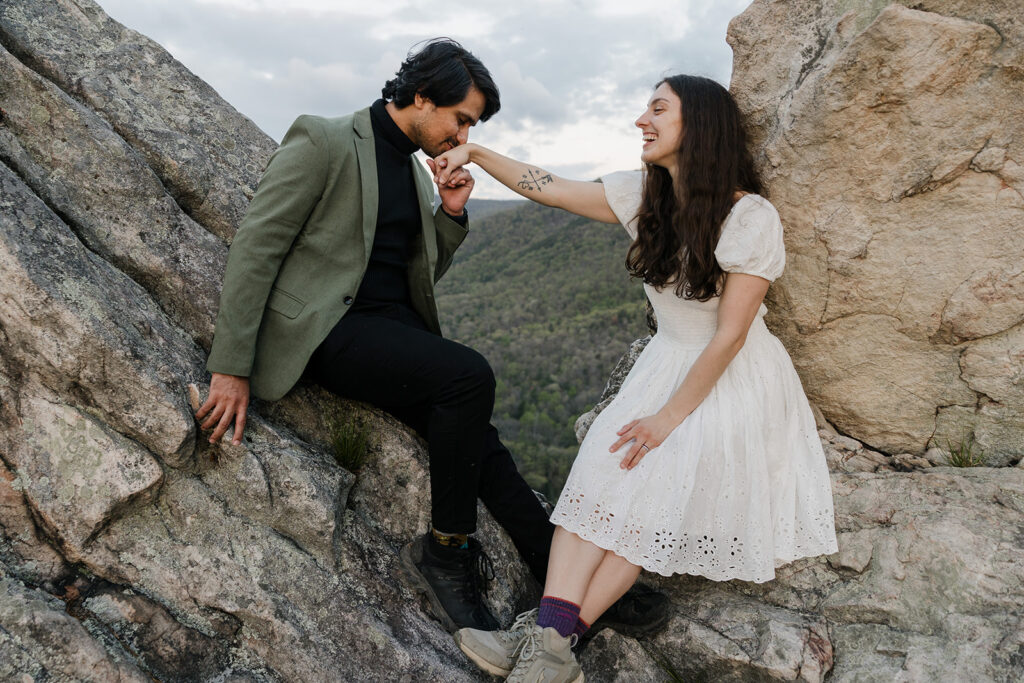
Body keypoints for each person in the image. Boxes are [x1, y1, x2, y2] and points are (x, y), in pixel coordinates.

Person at [195, 38, 668, 639]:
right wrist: (230, 366)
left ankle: (561, 577)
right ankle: (447, 551)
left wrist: (449, 214)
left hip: (390, 331)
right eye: (461, 118)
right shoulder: (326, 139)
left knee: (481, 444)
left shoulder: (418, 172)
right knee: (469, 375)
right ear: (421, 97)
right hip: (325, 331)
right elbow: (255, 248)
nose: (462, 133)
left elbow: (419, 274)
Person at [431, 74, 839, 682]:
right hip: (666, 361)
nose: (641, 121)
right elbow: (552, 189)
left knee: (646, 488)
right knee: (596, 475)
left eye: (657, 109)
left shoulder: (748, 216)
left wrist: (667, 419)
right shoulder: (649, 197)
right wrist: (478, 153)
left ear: (697, 125)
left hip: (734, 378)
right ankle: (551, 646)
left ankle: (542, 643)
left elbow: (729, 336)